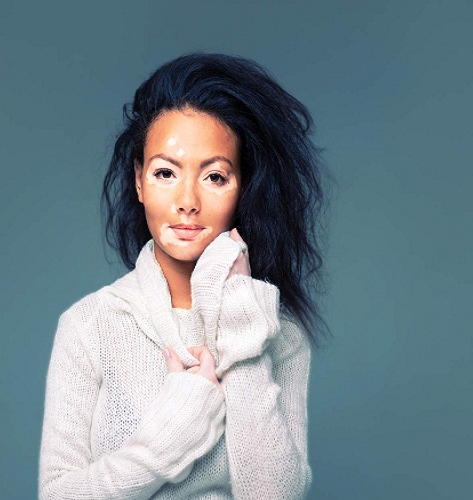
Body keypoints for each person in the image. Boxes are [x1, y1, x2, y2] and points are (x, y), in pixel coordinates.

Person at [39, 53, 327, 499]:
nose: (188, 201)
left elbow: (275, 494)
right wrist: (175, 432)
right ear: (139, 181)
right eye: (165, 173)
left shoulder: (278, 332)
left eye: (214, 177)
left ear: (243, 188)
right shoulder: (90, 325)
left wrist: (242, 331)